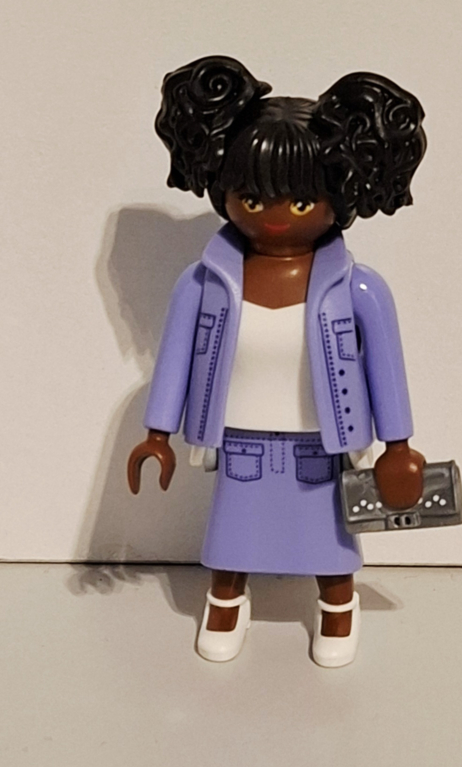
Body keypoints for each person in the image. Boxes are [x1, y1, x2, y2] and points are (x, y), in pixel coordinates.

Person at [127, 55, 427, 667]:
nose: (275, 215)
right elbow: (176, 358)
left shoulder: (358, 287)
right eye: (253, 196)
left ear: (337, 198)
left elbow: (386, 368)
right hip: (237, 433)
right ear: (224, 191)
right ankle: (225, 601)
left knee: (328, 531)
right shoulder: (204, 283)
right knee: (233, 527)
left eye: (301, 201)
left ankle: (337, 607)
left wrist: (398, 447)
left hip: (323, 437)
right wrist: (156, 432)